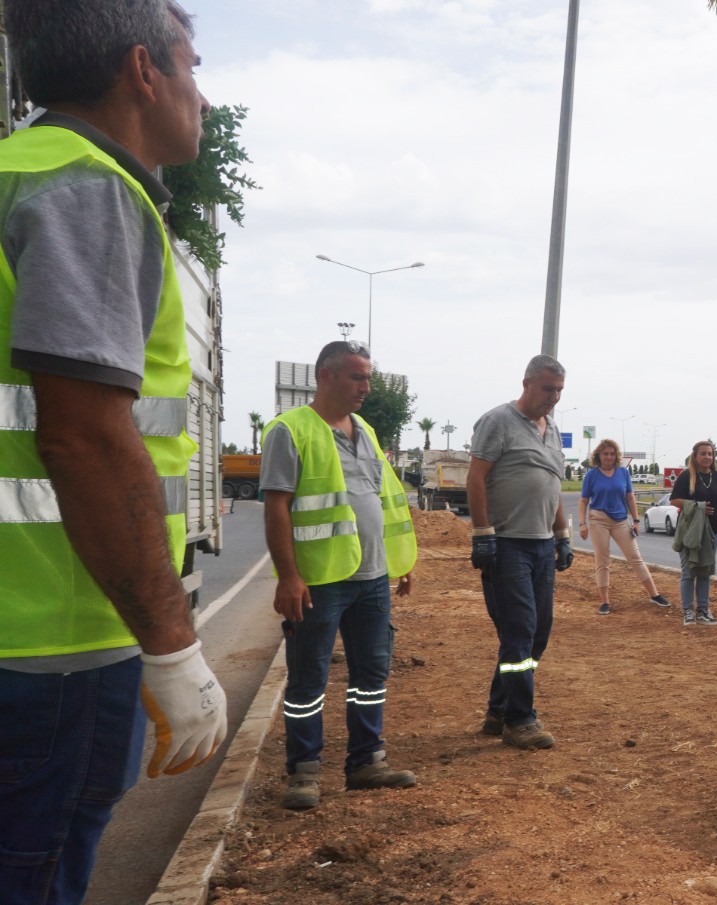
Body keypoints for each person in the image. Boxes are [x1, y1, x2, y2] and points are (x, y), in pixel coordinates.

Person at [0, 3, 229, 899]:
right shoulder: (86, 187)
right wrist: (172, 645)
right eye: (192, 65)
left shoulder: (18, 172)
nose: (202, 97)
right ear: (143, 71)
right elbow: (86, 433)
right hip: (52, 644)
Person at [261, 341, 419, 810]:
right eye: (357, 377)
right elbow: (277, 508)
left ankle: (366, 762)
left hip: (372, 577)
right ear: (325, 376)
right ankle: (304, 772)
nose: (366, 387)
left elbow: (381, 499)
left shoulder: (366, 430)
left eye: (368, 377)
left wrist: (400, 562)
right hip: (319, 581)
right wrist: (289, 577)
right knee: (308, 680)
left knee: (371, 673)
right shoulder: (290, 431)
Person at [466, 355, 574, 751]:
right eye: (548, 388)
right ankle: (519, 719)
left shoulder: (552, 428)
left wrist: (562, 534)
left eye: (560, 390)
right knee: (518, 632)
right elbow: (476, 477)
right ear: (527, 383)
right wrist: (482, 534)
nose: (554, 397)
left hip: (542, 545)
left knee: (537, 635)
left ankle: (499, 710)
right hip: (507, 544)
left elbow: (552, 485)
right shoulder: (498, 421)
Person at [578, 438, 672, 614]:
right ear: (598, 455)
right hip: (598, 519)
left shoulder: (623, 473)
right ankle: (604, 601)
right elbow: (583, 501)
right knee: (602, 559)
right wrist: (583, 524)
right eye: (605, 453)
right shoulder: (591, 475)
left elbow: (630, 497)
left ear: (617, 456)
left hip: (620, 520)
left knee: (635, 557)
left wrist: (636, 521)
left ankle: (654, 594)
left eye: (612, 454)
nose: (609, 457)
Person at [669, 440, 717, 625]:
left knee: (705, 571)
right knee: (689, 571)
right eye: (703, 453)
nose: (707, 457)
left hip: (713, 531)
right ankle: (688, 611)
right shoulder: (686, 476)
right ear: (695, 456)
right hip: (690, 531)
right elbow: (674, 500)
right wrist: (698, 507)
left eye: (710, 454)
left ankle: (703, 611)